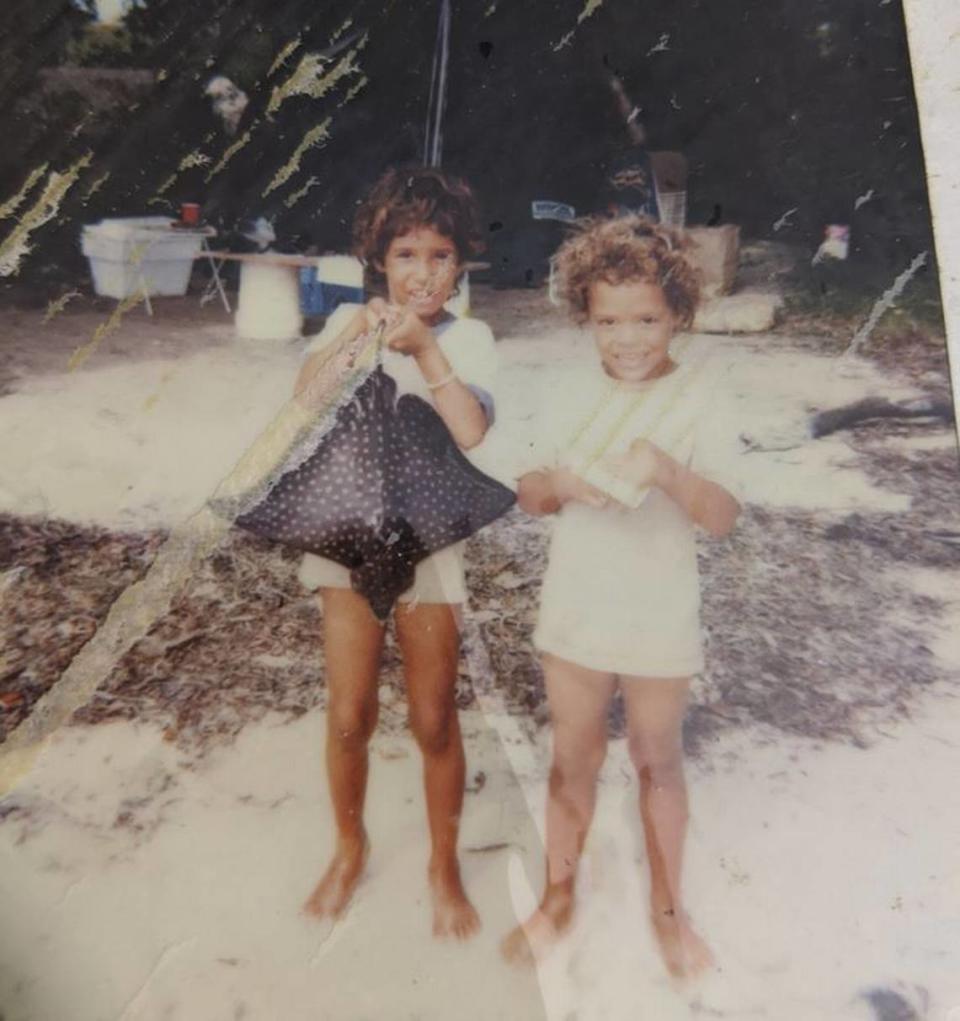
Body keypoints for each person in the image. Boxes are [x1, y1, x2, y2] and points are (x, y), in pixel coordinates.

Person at [501, 215, 742, 978]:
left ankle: (669, 911)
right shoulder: (568, 386)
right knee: (571, 758)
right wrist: (565, 482)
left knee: (656, 759)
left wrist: (669, 471)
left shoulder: (703, 392)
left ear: (678, 314)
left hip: (658, 612)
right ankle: (558, 895)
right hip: (577, 607)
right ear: (585, 316)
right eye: (608, 320)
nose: (628, 338)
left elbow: (724, 517)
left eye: (647, 319)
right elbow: (529, 492)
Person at [294, 165, 497, 939]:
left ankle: (443, 863)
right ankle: (351, 846)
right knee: (348, 714)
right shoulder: (347, 323)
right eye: (405, 254)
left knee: (434, 716)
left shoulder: (471, 337)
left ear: (461, 263)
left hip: (429, 544)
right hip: (345, 538)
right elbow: (306, 401)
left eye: (440, 256)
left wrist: (425, 352)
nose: (422, 273)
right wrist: (358, 338)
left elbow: (473, 430)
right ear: (378, 261)